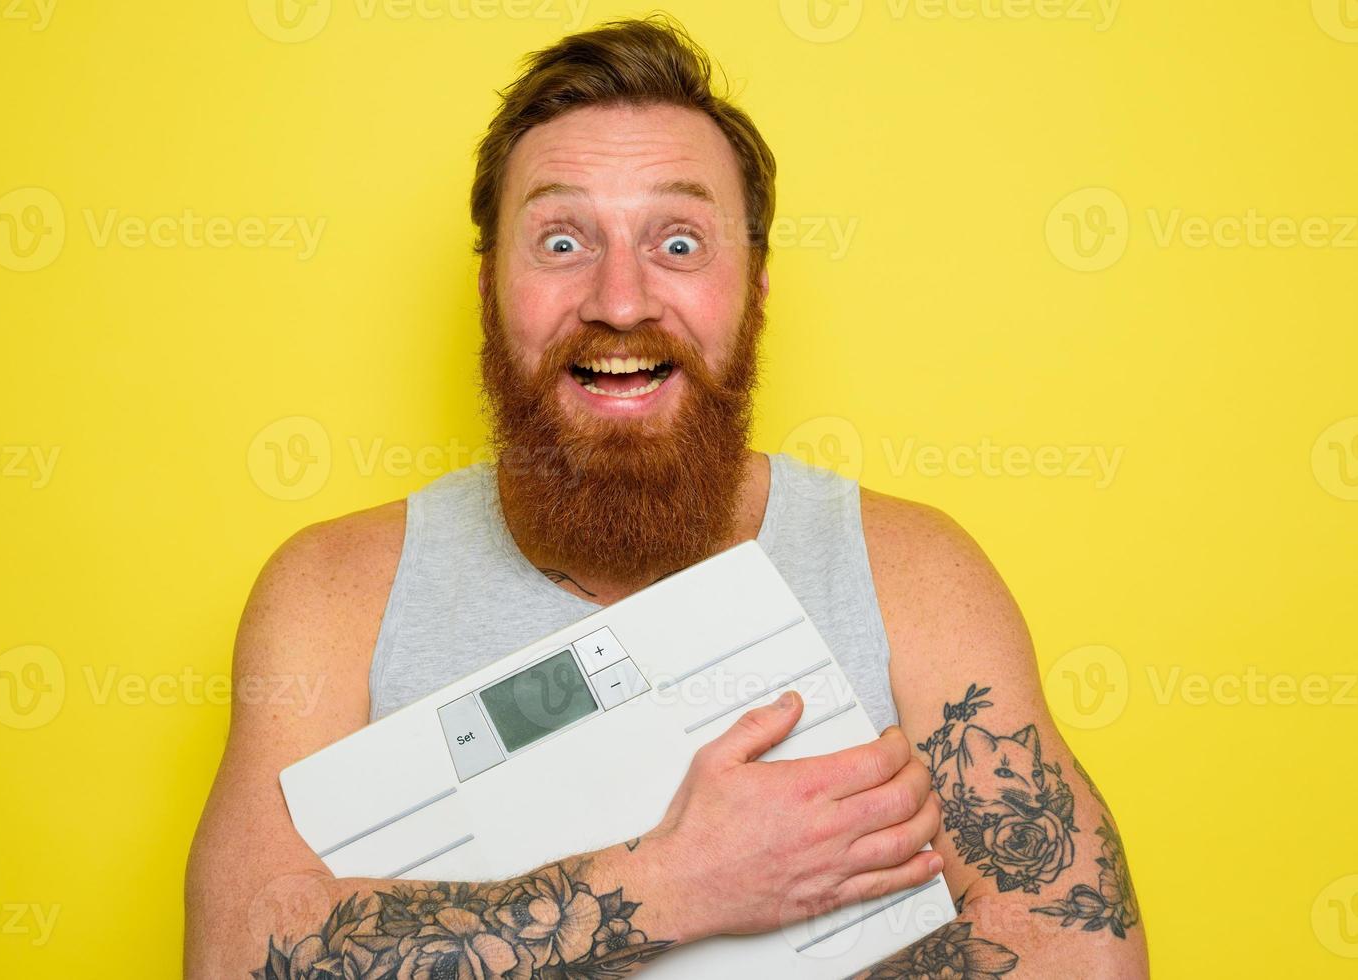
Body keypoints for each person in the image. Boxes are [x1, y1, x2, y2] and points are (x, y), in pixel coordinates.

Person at [185, 17, 1148, 979]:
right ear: (488, 288)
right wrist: (676, 884)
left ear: (756, 290)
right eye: (561, 240)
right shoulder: (332, 595)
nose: (619, 299)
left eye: (679, 243)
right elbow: (234, 958)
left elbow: (1078, 943)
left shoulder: (912, 572)